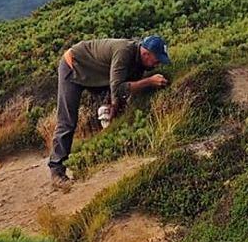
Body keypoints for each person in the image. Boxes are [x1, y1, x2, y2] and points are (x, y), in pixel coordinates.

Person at [48, 35, 171, 188]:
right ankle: (57, 171)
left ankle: (102, 150)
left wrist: (114, 105)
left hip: (97, 73)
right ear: (146, 53)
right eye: (157, 59)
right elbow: (119, 89)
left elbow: (119, 89)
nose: (157, 64)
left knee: (114, 109)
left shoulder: (140, 63)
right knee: (67, 121)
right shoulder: (124, 52)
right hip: (74, 65)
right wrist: (149, 82)